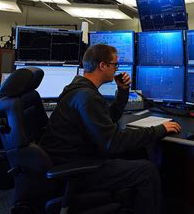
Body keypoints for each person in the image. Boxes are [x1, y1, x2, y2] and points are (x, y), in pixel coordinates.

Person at [40, 44, 181, 214]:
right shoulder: (87, 97)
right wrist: (159, 130)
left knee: (138, 153)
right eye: (115, 64)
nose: (117, 69)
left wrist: (122, 91)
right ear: (102, 65)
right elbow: (113, 142)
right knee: (147, 171)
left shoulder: (79, 88)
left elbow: (108, 118)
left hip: (74, 156)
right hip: (78, 168)